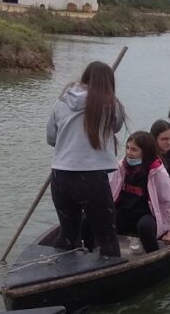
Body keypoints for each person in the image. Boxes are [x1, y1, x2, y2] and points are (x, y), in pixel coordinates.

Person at [47, 61, 126, 258]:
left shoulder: (62, 101)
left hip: (60, 175)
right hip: (91, 178)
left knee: (67, 233)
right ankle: (111, 272)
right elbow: (116, 127)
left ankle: (60, 271)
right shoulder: (111, 104)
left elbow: (51, 138)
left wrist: (69, 142)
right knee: (107, 237)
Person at [107, 131, 170, 253]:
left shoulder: (157, 172)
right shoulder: (121, 167)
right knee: (99, 219)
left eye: (134, 150)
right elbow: (110, 191)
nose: (129, 152)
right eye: (127, 148)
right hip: (126, 213)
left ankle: (154, 255)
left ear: (145, 152)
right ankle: (102, 253)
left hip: (148, 216)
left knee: (145, 226)